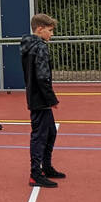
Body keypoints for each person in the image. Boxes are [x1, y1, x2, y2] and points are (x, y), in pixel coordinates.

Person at [21, 14, 63, 188]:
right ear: (40, 29)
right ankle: (35, 174)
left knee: (51, 132)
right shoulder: (40, 47)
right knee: (39, 136)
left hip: (35, 95)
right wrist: (51, 99)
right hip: (40, 98)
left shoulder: (28, 45)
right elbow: (42, 76)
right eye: (50, 30)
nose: (51, 34)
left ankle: (46, 167)